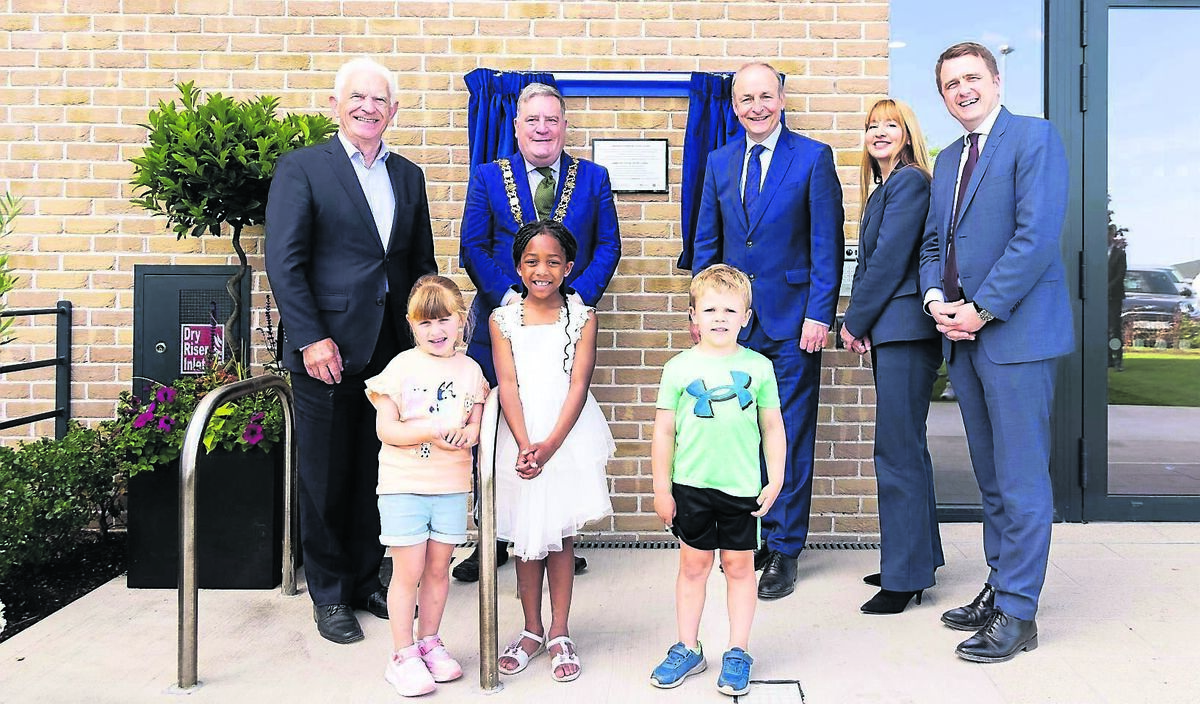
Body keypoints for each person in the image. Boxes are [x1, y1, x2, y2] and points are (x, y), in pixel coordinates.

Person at [265, 57, 437, 644]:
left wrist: (429, 338)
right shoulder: (304, 168)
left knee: (378, 470)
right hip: (328, 350)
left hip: (392, 348)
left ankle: (368, 578)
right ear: (336, 105)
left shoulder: (408, 176)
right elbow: (284, 263)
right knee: (325, 473)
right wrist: (311, 336)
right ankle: (331, 594)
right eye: (357, 97)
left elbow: (418, 265)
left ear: (394, 111)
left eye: (380, 100)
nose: (368, 107)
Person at [919, 42, 1072, 663]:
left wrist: (979, 309)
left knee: (1022, 478)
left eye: (972, 78)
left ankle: (1019, 613)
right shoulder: (948, 157)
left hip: (1017, 336)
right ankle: (999, 584)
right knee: (991, 477)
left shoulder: (1034, 139)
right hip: (962, 334)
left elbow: (1035, 239)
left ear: (996, 79)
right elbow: (935, 243)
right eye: (950, 84)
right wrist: (936, 302)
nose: (962, 90)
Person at [455, 82, 621, 583]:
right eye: (532, 120)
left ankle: (558, 532)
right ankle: (494, 538)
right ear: (517, 126)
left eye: (552, 120)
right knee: (494, 436)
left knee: (555, 431)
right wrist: (513, 299)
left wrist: (570, 300)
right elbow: (473, 246)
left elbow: (608, 247)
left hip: (563, 335)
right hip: (503, 328)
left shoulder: (592, 178)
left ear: (565, 126)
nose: (542, 128)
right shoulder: (488, 177)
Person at [691, 61, 845, 600]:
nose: (755, 106)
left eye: (764, 96)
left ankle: (784, 547)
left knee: (790, 434)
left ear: (781, 98)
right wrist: (705, 314)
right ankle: (751, 532)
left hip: (792, 324)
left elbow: (826, 244)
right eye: (744, 98)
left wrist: (819, 314)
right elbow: (708, 245)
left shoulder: (813, 158)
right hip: (735, 327)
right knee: (739, 431)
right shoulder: (719, 161)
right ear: (733, 105)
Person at [482, 220, 614, 683]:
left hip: (565, 434)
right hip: (520, 434)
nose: (542, 270)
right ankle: (531, 629)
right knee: (525, 535)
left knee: (559, 534)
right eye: (532, 261)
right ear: (518, 267)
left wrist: (551, 445)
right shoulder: (502, 318)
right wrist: (524, 443)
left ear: (569, 267)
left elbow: (579, 384)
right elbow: (509, 383)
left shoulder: (583, 316)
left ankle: (559, 630)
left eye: (553, 261)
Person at [649, 264, 785, 697]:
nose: (720, 317)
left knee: (739, 567)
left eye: (731, 309)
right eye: (709, 309)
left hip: (741, 488)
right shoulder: (678, 368)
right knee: (693, 567)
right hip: (691, 485)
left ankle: (738, 651)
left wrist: (776, 476)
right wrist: (661, 488)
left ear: (747, 316)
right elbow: (664, 432)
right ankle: (688, 648)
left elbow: (773, 428)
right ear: (693, 316)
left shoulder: (759, 368)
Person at [839, 98, 944, 614]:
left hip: (905, 332)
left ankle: (904, 578)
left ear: (907, 133)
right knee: (908, 448)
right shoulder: (884, 187)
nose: (879, 132)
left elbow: (887, 262)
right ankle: (914, 559)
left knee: (896, 452)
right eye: (872, 126)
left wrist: (854, 321)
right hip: (894, 331)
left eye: (891, 125)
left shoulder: (909, 182)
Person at [364, 276, 487, 696]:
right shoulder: (400, 368)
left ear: (461, 320)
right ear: (411, 325)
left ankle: (429, 641)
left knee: (439, 571)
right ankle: (402, 654)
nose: (436, 331)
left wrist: (468, 434)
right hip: (404, 486)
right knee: (408, 572)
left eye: (444, 320)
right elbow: (387, 429)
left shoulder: (472, 371)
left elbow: (476, 425)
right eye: (425, 323)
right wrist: (433, 430)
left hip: (450, 487)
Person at [1107, 230, 1127, 370]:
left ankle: (1117, 358)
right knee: (1103, 329)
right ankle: (1107, 359)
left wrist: (1107, 288)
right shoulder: (1097, 253)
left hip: (1113, 297)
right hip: (1099, 298)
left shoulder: (1120, 254)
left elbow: (1120, 275)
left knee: (1114, 329)